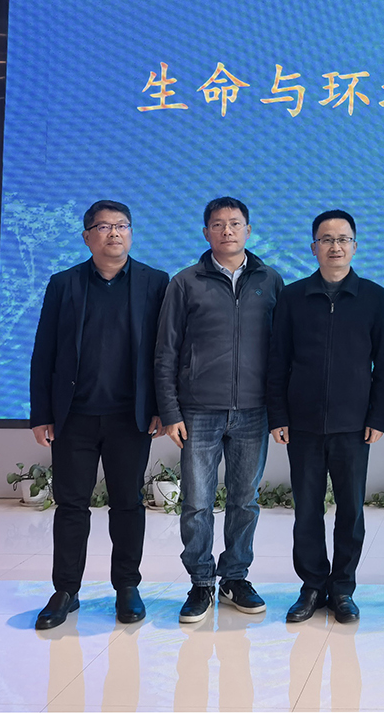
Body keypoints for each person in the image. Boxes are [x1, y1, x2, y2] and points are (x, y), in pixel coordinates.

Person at [29, 199, 170, 630]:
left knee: (128, 504)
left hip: (131, 417)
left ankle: (127, 586)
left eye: (122, 225)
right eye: (104, 227)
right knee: (71, 504)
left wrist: (162, 408)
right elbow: (44, 351)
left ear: (131, 233)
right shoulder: (64, 284)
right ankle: (66, 590)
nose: (114, 233)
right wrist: (41, 413)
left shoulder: (154, 282)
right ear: (87, 236)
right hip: (75, 417)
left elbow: (165, 352)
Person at [154, 196, 285, 623]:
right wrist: (170, 411)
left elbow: (282, 351)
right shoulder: (185, 282)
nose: (227, 230)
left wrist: (279, 409)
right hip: (198, 411)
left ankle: (235, 577)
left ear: (248, 229)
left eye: (235, 223)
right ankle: (200, 582)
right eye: (218, 224)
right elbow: (166, 351)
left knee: (245, 500)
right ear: (205, 232)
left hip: (253, 410)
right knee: (196, 502)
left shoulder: (270, 281)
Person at [268, 209, 384, 624]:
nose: (335, 247)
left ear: (354, 246)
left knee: (350, 511)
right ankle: (311, 586)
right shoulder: (293, 297)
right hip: (302, 424)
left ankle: (342, 588)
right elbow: (277, 360)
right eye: (326, 239)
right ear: (313, 248)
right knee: (306, 510)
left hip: (354, 426)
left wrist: (379, 415)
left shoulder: (373, 296)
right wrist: (278, 414)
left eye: (343, 239)